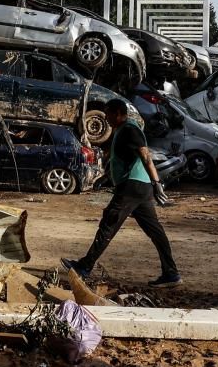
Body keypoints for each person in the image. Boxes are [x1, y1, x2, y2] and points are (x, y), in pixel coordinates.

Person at [64, 98, 181, 288]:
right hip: (138, 187)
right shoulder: (122, 130)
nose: (107, 118)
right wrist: (107, 177)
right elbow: (123, 158)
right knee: (155, 231)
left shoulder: (130, 129)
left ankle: (84, 267)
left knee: (109, 224)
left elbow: (145, 156)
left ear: (119, 113)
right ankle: (171, 273)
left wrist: (157, 183)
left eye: (109, 114)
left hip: (132, 187)